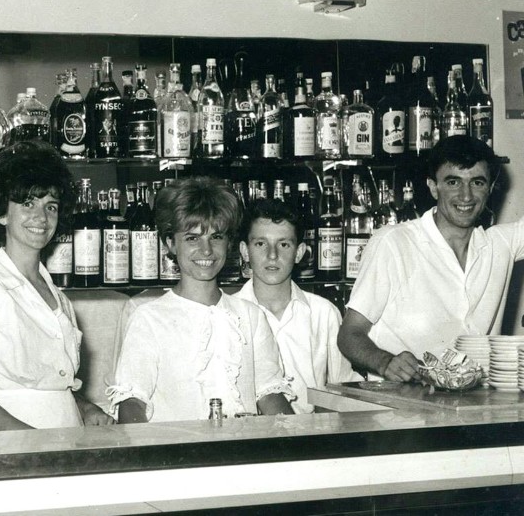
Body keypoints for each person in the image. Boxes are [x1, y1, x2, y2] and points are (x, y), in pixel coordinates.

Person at [0, 140, 113, 430]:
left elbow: (55, 387)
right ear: (1, 213)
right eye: (27, 203)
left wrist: (86, 409)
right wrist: (34, 444)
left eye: (50, 206)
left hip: (67, 439)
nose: (41, 217)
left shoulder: (58, 298)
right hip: (17, 448)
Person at [338, 135, 524, 381]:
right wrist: (385, 362)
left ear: (490, 188)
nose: (466, 196)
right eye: (453, 182)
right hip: (399, 407)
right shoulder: (394, 243)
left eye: (477, 182)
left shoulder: (501, 243)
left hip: (473, 405)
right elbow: (349, 334)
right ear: (433, 186)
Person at [108, 177, 293, 423]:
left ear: (229, 244)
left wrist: (300, 440)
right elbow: (132, 403)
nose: (206, 251)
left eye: (216, 237)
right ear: (170, 243)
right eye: (192, 238)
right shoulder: (148, 317)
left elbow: (270, 395)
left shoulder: (251, 315)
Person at [234, 198, 361, 413]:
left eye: (284, 244)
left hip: (313, 439)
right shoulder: (230, 314)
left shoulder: (323, 313)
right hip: (250, 437)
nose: (272, 255)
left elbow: (342, 387)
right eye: (260, 244)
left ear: (300, 252)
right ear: (245, 251)